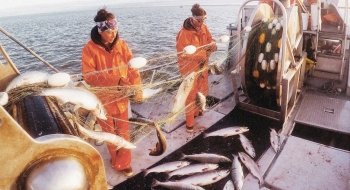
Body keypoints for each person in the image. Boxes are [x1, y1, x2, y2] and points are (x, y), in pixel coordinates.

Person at [81, 8, 142, 177]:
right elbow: (88, 76)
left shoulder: (122, 45)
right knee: (110, 134)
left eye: (115, 30)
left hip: (121, 97)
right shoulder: (89, 49)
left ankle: (124, 163)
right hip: (103, 100)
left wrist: (137, 88)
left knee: (123, 131)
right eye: (109, 31)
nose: (113, 34)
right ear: (101, 31)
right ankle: (116, 160)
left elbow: (133, 69)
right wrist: (116, 79)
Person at [176, 4, 216, 132]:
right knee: (190, 95)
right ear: (192, 18)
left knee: (201, 91)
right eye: (199, 20)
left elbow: (210, 39)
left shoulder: (204, 27)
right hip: (190, 69)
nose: (201, 22)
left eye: (203, 20)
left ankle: (198, 111)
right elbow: (182, 53)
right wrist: (202, 54)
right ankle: (190, 123)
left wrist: (213, 45)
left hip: (202, 66)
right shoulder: (184, 33)